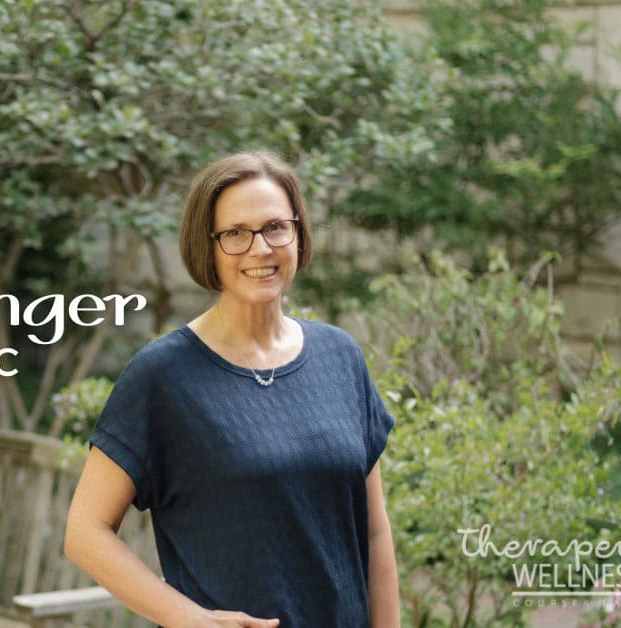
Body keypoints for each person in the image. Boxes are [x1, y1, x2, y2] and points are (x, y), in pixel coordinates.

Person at [63, 151, 400, 627]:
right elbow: (85, 531)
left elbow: (374, 536)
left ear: (298, 234)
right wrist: (191, 620)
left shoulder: (339, 356)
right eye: (236, 234)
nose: (260, 248)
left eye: (275, 227)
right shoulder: (161, 376)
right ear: (209, 247)